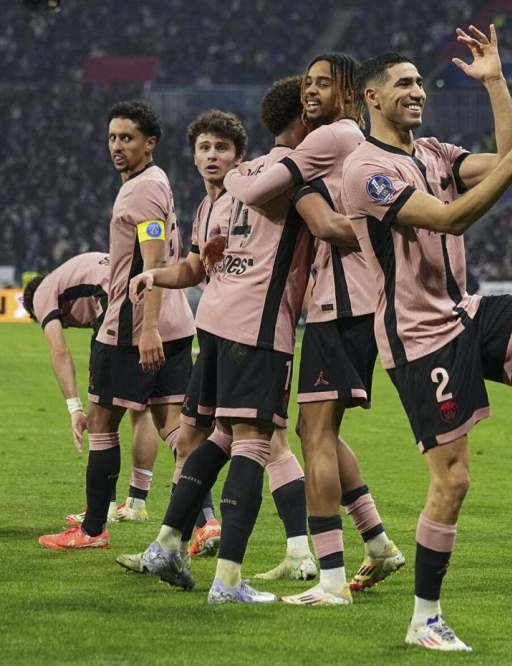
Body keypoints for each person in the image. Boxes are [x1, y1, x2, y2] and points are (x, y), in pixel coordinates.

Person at [342, 28, 512, 651]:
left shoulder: (434, 152)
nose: (418, 91)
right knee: (453, 482)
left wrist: (495, 81)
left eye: (420, 82)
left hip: (462, 310)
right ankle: (424, 619)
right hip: (418, 336)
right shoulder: (365, 170)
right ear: (371, 97)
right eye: (404, 84)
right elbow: (451, 217)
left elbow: (505, 158)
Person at [132, 77, 356, 603]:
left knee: (219, 437)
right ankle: (229, 580)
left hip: (214, 319)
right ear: (307, 119)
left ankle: (167, 543)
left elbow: (210, 256)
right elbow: (328, 228)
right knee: (255, 443)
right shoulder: (294, 176)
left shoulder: (245, 177)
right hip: (257, 326)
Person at [223, 54, 404, 605]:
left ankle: (329, 579)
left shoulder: (332, 136)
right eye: (307, 82)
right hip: (346, 302)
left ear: (349, 92)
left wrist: (233, 172)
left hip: (342, 304)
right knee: (312, 430)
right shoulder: (349, 140)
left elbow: (256, 192)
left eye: (323, 83)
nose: (311, 90)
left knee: (316, 434)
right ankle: (377, 543)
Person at [39, 101, 196, 551]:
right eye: (112, 137)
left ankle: (92, 530)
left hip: (131, 329)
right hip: (176, 323)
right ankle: (205, 523)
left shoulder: (140, 192)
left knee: (102, 424)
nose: (117, 146)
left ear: (150, 143)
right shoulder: (157, 180)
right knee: (176, 430)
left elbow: (151, 265)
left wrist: (146, 330)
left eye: (127, 138)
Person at [23, 253, 160, 524]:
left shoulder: (42, 293)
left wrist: (74, 408)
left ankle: (103, 507)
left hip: (116, 304)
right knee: (142, 408)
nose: (67, 324)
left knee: (99, 415)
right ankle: (136, 504)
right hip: (147, 297)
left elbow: (59, 351)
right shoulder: (76, 275)